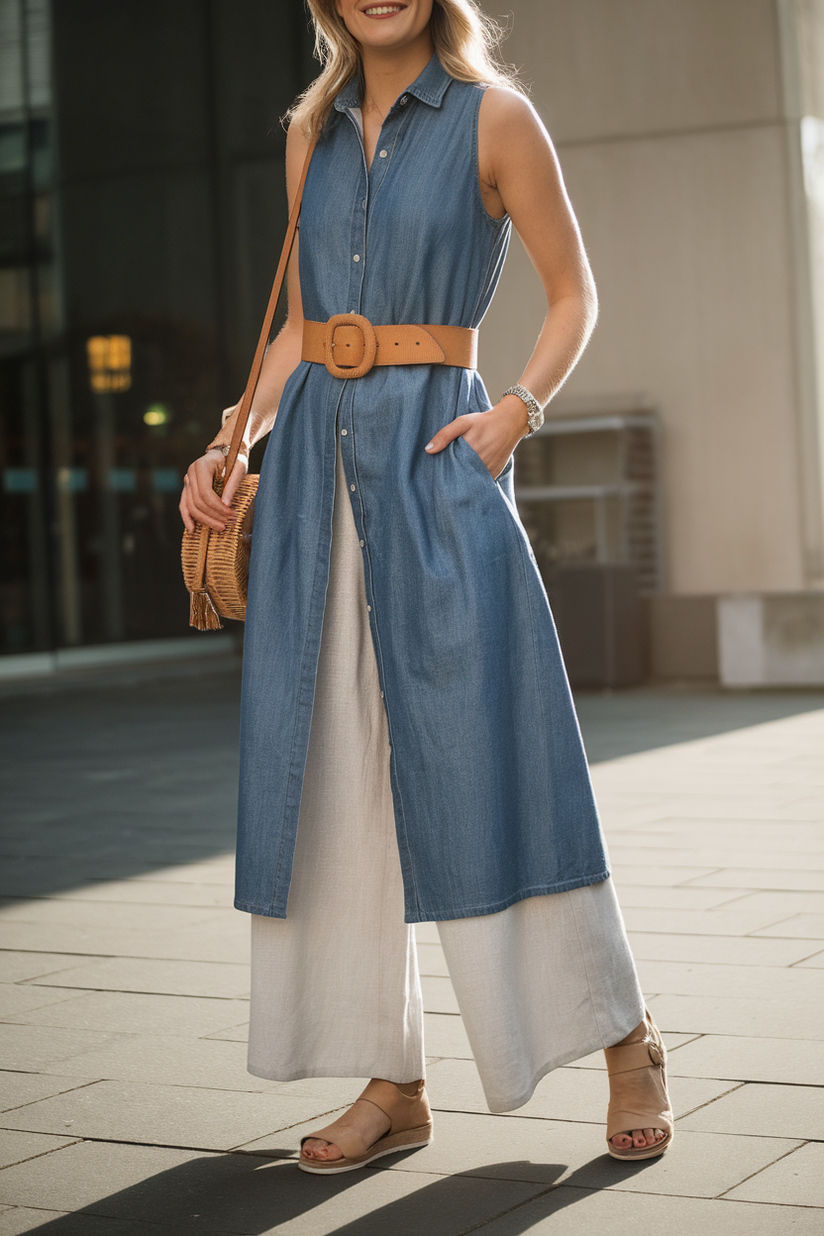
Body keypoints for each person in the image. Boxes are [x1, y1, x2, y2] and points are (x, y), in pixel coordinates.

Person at [180, 0, 673, 1174]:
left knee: (491, 747)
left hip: (439, 463)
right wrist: (228, 442)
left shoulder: (497, 119)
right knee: (330, 771)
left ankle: (622, 1040)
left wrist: (516, 414)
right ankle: (390, 1082)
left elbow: (572, 293)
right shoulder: (309, 133)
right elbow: (302, 329)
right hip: (310, 473)